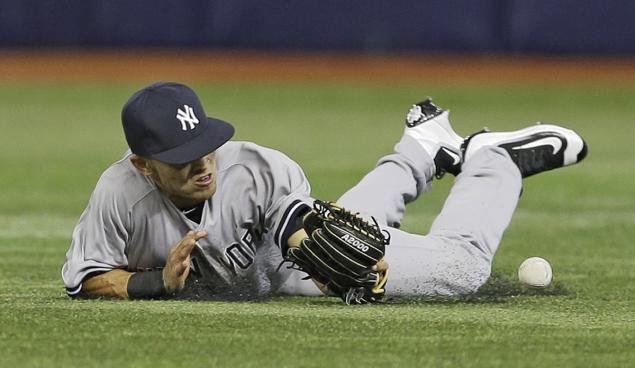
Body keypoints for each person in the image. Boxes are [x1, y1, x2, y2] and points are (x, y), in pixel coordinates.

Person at [61, 81, 587, 300]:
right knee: (357, 216)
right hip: (272, 274)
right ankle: (421, 150)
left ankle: (494, 162)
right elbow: (84, 277)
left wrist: (348, 261)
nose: (203, 164)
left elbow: (307, 229)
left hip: (296, 266)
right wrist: (156, 282)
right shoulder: (118, 196)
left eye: (205, 144)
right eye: (181, 158)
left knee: (463, 269)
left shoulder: (255, 167)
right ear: (144, 165)